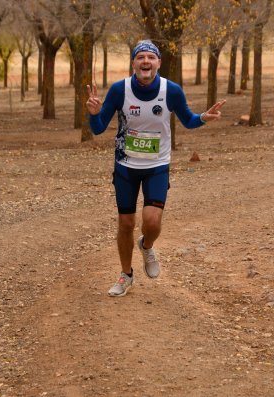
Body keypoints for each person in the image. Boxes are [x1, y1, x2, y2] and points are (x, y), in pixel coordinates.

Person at [86, 40, 225, 297]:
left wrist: (203, 117)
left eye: (151, 57)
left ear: (159, 63)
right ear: (133, 64)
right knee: (126, 223)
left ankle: (147, 245)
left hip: (157, 165)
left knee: (151, 222)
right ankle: (126, 275)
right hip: (125, 166)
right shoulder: (120, 90)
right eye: (141, 57)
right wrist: (94, 113)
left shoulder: (170, 91)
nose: (146, 62)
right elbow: (97, 128)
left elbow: (188, 120)